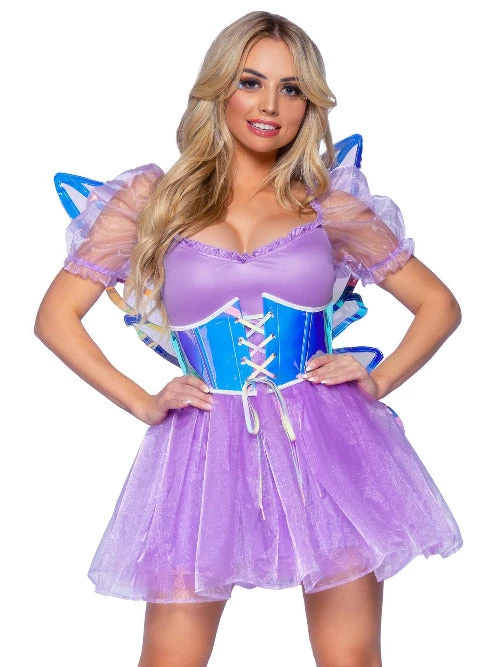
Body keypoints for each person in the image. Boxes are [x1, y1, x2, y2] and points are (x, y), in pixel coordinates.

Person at [35, 10, 463, 667]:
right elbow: (56, 317)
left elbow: (438, 304)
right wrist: (144, 402)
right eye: (251, 82)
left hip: (329, 441)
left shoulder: (326, 205)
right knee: (170, 658)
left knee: (350, 657)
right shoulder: (153, 201)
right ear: (219, 88)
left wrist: (376, 380)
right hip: (202, 445)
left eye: (291, 89)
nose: (270, 105)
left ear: (309, 104)